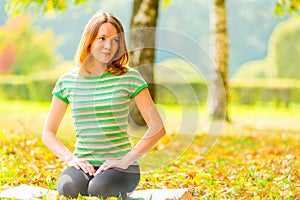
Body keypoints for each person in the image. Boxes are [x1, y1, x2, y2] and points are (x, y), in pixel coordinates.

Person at [42, 11, 165, 199]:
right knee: (68, 188)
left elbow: (158, 128)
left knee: (97, 189)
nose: (109, 46)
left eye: (116, 40)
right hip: (84, 164)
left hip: (122, 167)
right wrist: (71, 159)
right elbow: (48, 133)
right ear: (89, 40)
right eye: (102, 38)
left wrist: (126, 160)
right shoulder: (67, 81)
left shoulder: (129, 77)